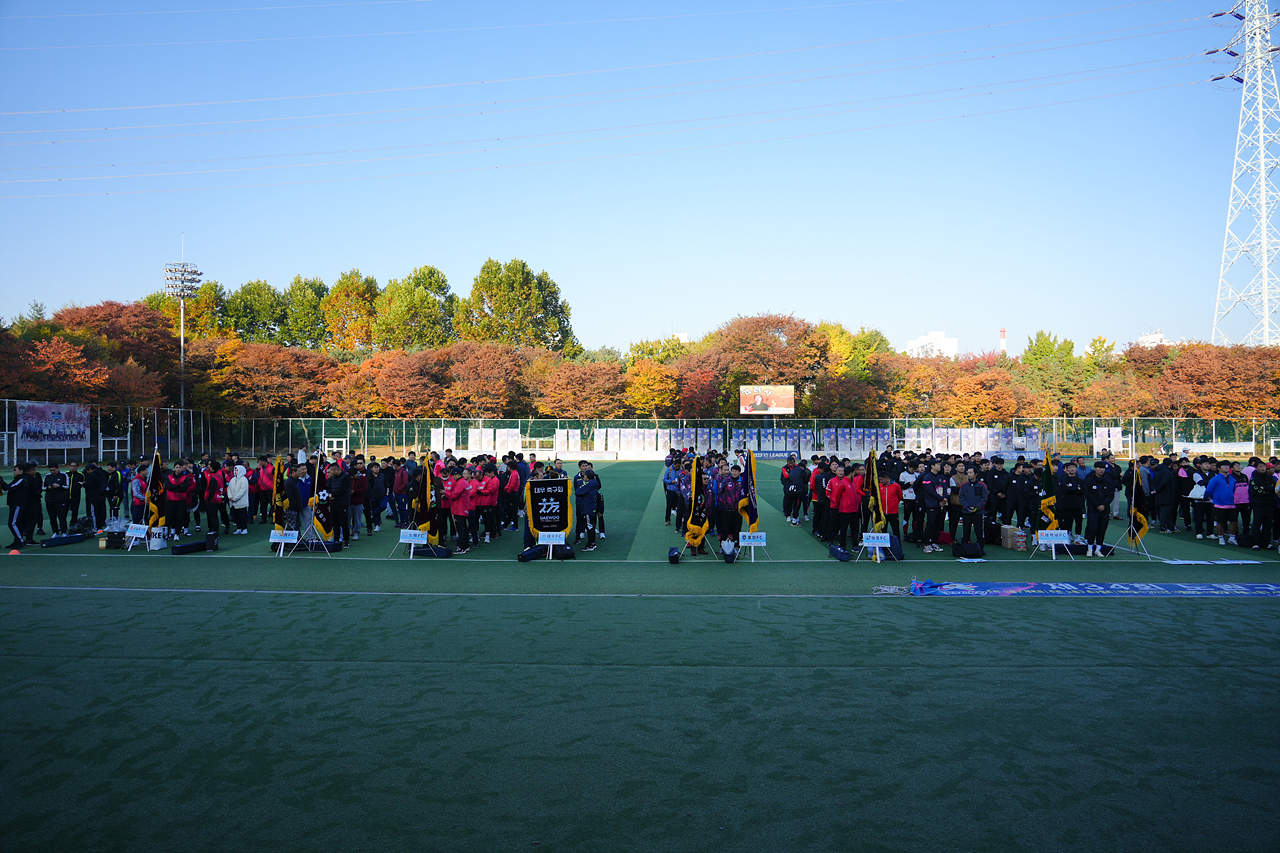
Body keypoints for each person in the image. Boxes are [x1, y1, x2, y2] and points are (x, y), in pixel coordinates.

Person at [1083, 461, 1117, 557]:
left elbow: (1111, 495)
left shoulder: (1108, 481)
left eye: (1103, 468)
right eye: (1099, 468)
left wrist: (1104, 505)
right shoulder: (1089, 480)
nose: (1101, 470)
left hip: (1105, 509)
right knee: (1092, 528)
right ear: (1095, 469)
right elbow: (1088, 494)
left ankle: (1098, 549)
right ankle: (1089, 549)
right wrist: (1097, 505)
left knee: (1102, 529)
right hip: (1093, 509)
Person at [1204, 460, 1238, 546]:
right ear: (1219, 468)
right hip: (1219, 504)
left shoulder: (1232, 479)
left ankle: (1232, 537)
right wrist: (1216, 498)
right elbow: (1209, 490)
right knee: (1220, 522)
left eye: (1227, 465)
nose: (1226, 467)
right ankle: (1220, 537)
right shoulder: (1215, 479)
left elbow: (1233, 490)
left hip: (1231, 504)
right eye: (1224, 466)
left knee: (1234, 521)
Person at [3, 463, 35, 548]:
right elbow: (7, 487)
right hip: (13, 503)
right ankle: (16, 541)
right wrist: (2, 483)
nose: (14, 471)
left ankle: (20, 541)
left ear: (21, 471)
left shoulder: (22, 479)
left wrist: (2, 482)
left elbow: (11, 488)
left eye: (15, 470)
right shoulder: (18, 479)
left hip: (18, 504)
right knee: (16, 523)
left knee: (12, 523)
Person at [444, 468, 473, 554]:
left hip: (459, 509)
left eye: (453, 475)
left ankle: (462, 547)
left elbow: (454, 495)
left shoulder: (460, 483)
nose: (452, 477)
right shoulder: (464, 482)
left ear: (457, 475)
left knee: (461, 528)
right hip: (463, 508)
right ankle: (465, 545)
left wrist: (445, 493)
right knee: (463, 528)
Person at [573, 460, 600, 552]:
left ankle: (591, 544)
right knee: (591, 525)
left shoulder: (589, 484)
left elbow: (577, 492)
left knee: (589, 526)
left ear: (587, 477)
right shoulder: (594, 483)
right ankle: (592, 543)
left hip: (588, 507)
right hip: (592, 506)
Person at [1056, 461, 1086, 541]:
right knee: (1067, 522)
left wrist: (1072, 488)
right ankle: (1067, 536)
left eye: (1073, 467)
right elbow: (1065, 490)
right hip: (1067, 505)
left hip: (1078, 505)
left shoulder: (1080, 480)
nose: (1072, 469)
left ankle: (1078, 538)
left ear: (1076, 469)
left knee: (1079, 522)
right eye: (1070, 468)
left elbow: (1083, 490)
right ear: (1067, 469)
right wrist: (1077, 488)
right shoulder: (1063, 480)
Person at [958, 467, 988, 545]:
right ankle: (964, 547)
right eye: (968, 473)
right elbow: (961, 498)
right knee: (966, 531)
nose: (968, 474)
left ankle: (980, 547)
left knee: (979, 531)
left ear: (975, 474)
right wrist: (967, 507)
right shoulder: (964, 486)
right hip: (966, 512)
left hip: (978, 513)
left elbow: (984, 498)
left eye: (971, 473)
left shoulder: (982, 485)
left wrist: (976, 508)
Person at [43, 462, 69, 537]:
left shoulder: (64, 475)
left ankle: (64, 532)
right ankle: (55, 532)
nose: (52, 472)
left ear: (57, 468)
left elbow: (67, 486)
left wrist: (59, 486)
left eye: (53, 470)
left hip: (60, 499)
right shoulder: (47, 476)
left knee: (62, 517)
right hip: (49, 500)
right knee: (52, 517)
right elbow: (43, 487)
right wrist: (48, 488)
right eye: (50, 470)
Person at [329, 461, 352, 546]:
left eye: (332, 470)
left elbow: (343, 489)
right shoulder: (332, 478)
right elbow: (330, 488)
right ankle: (336, 539)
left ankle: (346, 540)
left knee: (344, 523)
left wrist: (333, 495)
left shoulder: (346, 477)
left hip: (343, 503)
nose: (331, 472)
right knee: (335, 523)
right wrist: (330, 495)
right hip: (334, 503)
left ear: (336, 470)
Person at [227, 464, 250, 534]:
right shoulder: (233, 479)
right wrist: (230, 497)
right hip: (233, 502)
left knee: (242, 516)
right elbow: (229, 489)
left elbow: (242, 491)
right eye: (235, 470)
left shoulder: (244, 480)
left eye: (237, 470)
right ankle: (238, 528)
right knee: (236, 516)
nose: (235, 472)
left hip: (241, 502)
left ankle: (244, 528)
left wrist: (235, 498)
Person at [662, 458, 681, 526]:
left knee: (679, 506)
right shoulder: (669, 470)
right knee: (669, 506)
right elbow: (664, 479)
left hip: (679, 491)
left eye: (679, 466)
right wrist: (671, 482)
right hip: (671, 490)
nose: (677, 468)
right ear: (674, 464)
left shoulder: (680, 470)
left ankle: (679, 521)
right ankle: (667, 519)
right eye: (676, 466)